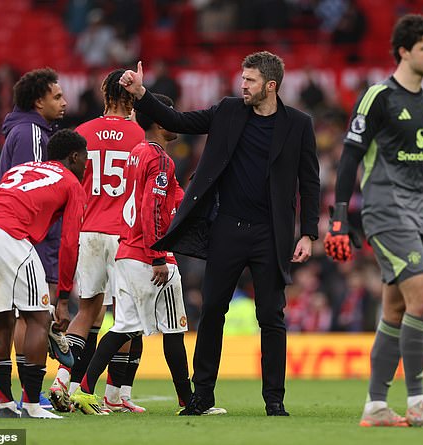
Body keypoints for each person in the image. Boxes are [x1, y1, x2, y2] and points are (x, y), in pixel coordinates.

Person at [119, 51, 320, 416]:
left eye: (250, 80)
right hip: (227, 227)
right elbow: (177, 120)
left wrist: (308, 233)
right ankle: (202, 396)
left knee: (271, 316)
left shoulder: (298, 124)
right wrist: (141, 94)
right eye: (243, 78)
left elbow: (309, 182)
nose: (243, 85)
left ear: (270, 86)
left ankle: (274, 400)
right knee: (212, 310)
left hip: (270, 233)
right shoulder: (228, 111)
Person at [324, 14, 423, 427]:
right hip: (385, 211)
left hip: (419, 216)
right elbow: (350, 157)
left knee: (396, 309)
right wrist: (339, 217)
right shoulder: (378, 96)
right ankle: (417, 401)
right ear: (403, 51)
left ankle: (376, 405)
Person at [71, 94, 223, 416]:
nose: (176, 119)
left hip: (126, 251)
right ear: (158, 121)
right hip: (150, 254)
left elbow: (169, 199)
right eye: (170, 114)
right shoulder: (160, 160)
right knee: (174, 329)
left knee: (123, 327)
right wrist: (158, 256)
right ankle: (189, 402)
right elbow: (151, 208)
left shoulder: (137, 154)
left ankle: (83, 390)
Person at [0, 129, 87, 419]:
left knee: (2, 318)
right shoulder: (71, 183)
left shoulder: (23, 168)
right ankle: (32, 404)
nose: (86, 166)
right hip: (7, 235)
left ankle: (4, 402)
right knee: (39, 319)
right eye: (85, 159)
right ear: (73, 157)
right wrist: (63, 298)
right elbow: (70, 243)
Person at [48, 69, 146, 413]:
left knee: (87, 310)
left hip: (88, 230)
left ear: (105, 94)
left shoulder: (83, 132)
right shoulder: (139, 135)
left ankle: (62, 381)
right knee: (124, 316)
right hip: (123, 234)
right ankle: (114, 395)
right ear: (131, 97)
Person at [0, 68, 68, 411]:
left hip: (5, 232)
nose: (64, 102)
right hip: (24, 237)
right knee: (30, 315)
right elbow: (33, 191)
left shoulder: (21, 130)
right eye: (57, 96)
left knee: (8, 315)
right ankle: (27, 395)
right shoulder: (33, 134)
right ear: (38, 102)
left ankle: (1, 394)